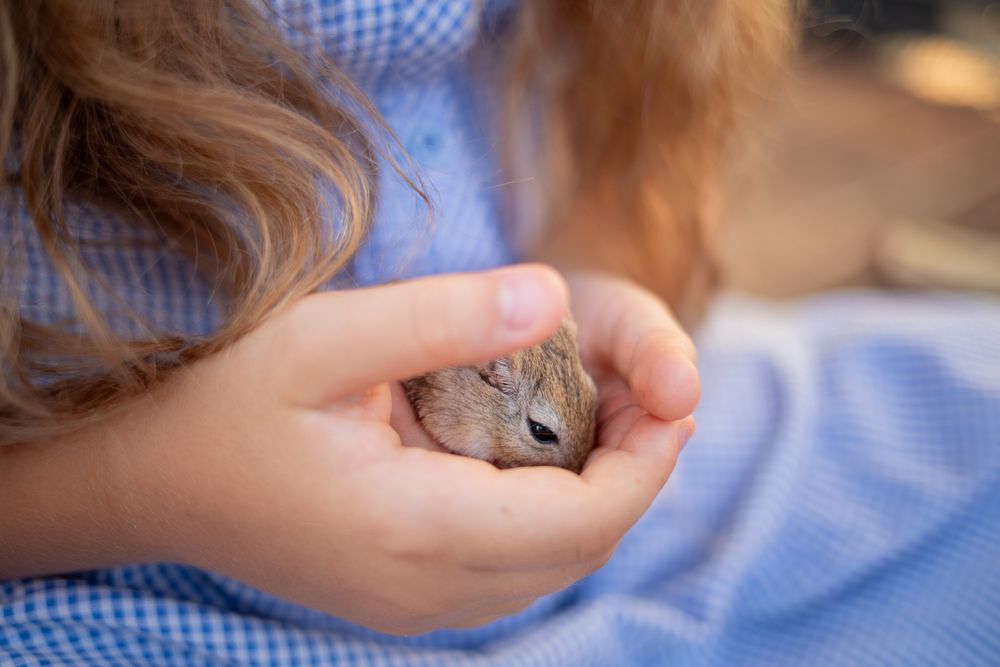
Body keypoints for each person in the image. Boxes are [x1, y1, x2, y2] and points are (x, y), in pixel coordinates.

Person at [5, 1, 1000, 666]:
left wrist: (594, 280)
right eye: (542, 439)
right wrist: (157, 482)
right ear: (486, 386)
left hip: (634, 543)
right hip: (140, 590)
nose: (560, 458)